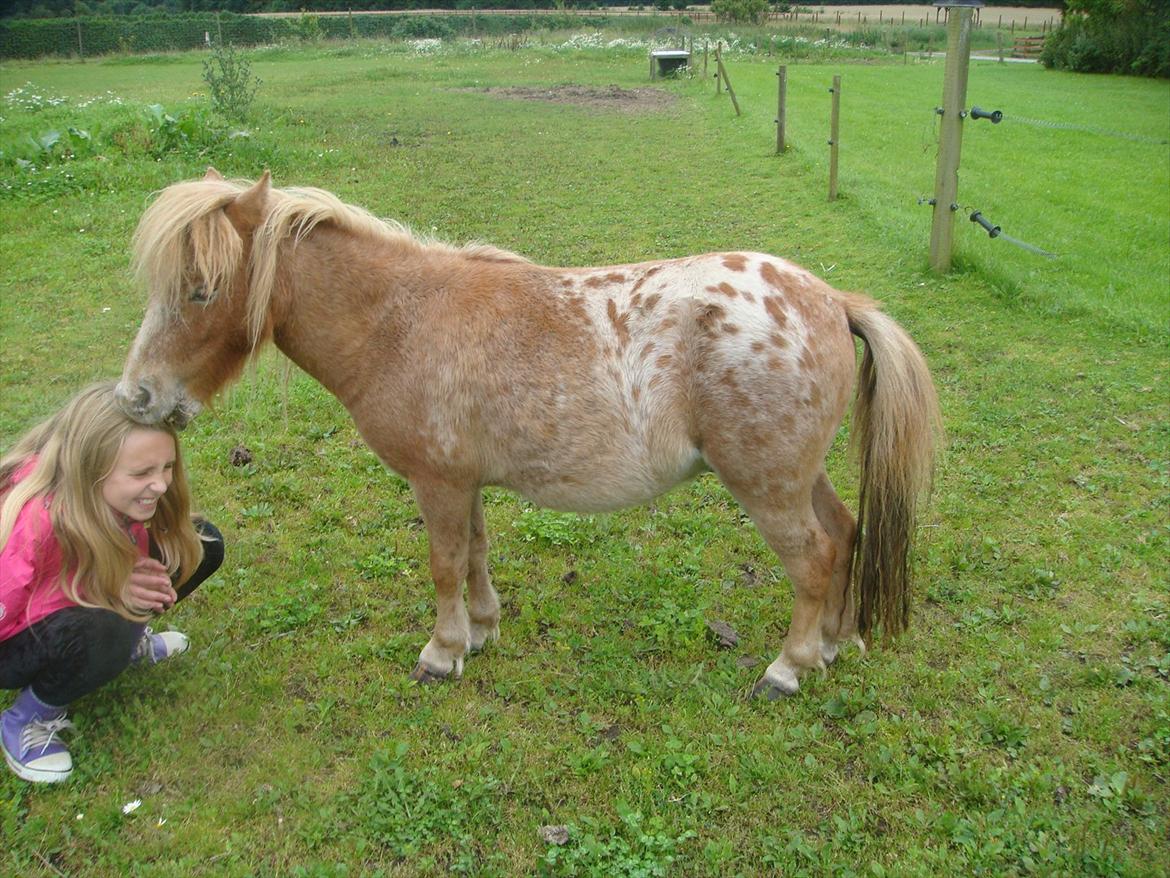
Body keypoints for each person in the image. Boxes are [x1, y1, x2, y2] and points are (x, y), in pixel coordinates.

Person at [0, 382, 224, 783]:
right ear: (91, 472)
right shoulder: (34, 523)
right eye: (142, 473)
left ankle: (119, 648)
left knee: (199, 545)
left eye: (167, 466)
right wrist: (101, 589)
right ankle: (29, 717)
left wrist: (120, 577)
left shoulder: (114, 495)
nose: (161, 484)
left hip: (79, 589)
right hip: (9, 644)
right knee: (103, 622)